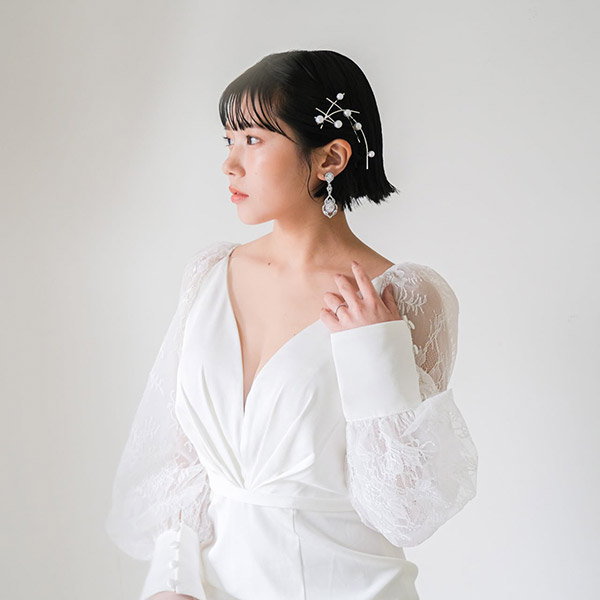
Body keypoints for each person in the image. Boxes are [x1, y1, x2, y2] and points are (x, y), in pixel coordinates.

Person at [105, 49, 478, 600]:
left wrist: (375, 352)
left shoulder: (405, 296)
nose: (230, 164)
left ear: (331, 157)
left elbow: (406, 513)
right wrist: (171, 581)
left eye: (253, 140)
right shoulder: (209, 275)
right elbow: (180, 466)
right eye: (228, 140)